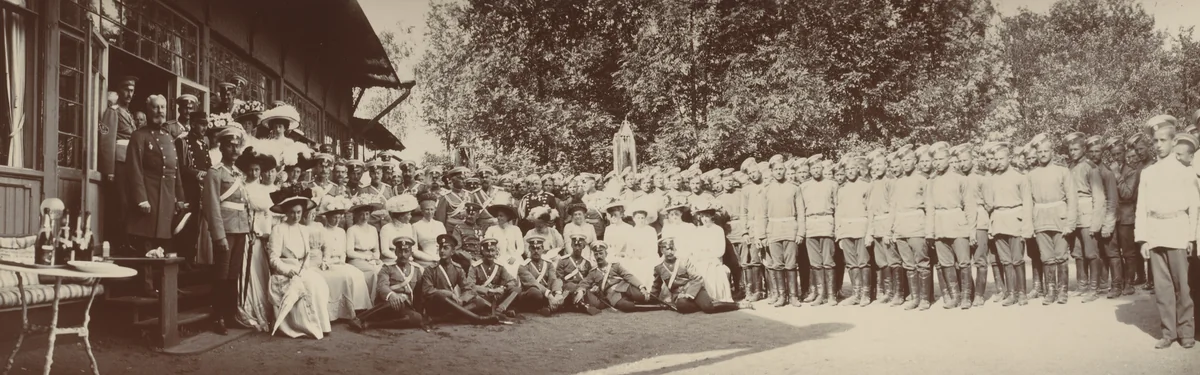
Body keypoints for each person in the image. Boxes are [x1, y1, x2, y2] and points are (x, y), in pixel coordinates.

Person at [1136, 115, 1197, 349]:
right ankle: (1168, 333)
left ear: (1173, 142)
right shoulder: (1148, 173)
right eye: (1155, 141)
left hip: (1177, 231)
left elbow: (1193, 206)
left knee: (1183, 285)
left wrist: (1191, 236)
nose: (1158, 145)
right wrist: (1142, 239)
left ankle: (1186, 332)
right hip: (1155, 232)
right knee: (1162, 288)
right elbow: (1141, 207)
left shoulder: (1184, 172)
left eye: (1163, 140)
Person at [126, 95, 186, 296]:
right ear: (148, 109)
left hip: (167, 198)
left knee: (165, 242)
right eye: (155, 108)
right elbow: (134, 170)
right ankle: (148, 286)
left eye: (163, 107)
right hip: (149, 196)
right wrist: (140, 198)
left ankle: (167, 285)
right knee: (147, 242)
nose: (160, 111)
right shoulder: (139, 136)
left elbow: (174, 171)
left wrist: (180, 198)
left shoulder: (169, 137)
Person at [267, 194, 332, 339]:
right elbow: (273, 258)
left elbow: (306, 255)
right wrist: (287, 270)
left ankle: (321, 324)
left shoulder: (303, 229)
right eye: (292, 212)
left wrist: (304, 268)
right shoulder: (278, 229)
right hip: (285, 270)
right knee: (308, 284)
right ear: (286, 213)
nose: (295, 216)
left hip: (301, 269)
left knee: (319, 283)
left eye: (298, 212)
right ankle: (305, 326)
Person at [229, 146, 277, 332]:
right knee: (244, 271)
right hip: (243, 233)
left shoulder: (265, 191)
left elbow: (267, 214)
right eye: (250, 169)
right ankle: (244, 306)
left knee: (259, 269)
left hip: (258, 237)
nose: (253, 172)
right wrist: (247, 230)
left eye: (257, 169)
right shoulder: (240, 186)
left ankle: (262, 309)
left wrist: (263, 233)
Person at [1028, 133, 1078, 305]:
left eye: (1046, 151)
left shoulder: (1063, 171)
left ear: (1052, 152)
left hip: (1060, 218)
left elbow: (1072, 198)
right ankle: (1050, 290)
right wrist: (1029, 224)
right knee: (1046, 257)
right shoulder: (1031, 175)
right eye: (1039, 151)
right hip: (1040, 219)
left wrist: (1070, 222)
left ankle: (1063, 290)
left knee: (1061, 256)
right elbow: (1028, 202)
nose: (1042, 154)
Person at [926, 143, 978, 310]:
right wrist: (930, 232)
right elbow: (930, 208)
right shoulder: (931, 181)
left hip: (958, 223)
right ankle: (954, 296)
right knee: (946, 263)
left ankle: (966, 297)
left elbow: (970, 206)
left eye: (941, 159)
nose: (937, 163)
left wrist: (971, 230)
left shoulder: (961, 179)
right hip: (940, 225)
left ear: (949, 159)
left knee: (963, 262)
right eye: (935, 160)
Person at [418, 233, 503, 325]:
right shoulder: (430, 269)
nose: (442, 251)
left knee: (479, 302)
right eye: (440, 248)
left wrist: (462, 299)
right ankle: (477, 318)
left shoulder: (457, 269)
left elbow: (467, 288)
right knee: (440, 295)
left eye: (446, 248)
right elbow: (427, 291)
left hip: (453, 305)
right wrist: (449, 294)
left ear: (453, 251)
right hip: (436, 305)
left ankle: (440, 319)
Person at [987, 143, 1034, 307]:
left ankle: (1022, 293)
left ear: (1009, 159)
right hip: (999, 221)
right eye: (996, 159)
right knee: (1005, 261)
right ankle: (1011, 293)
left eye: (1002, 158)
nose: (999, 162)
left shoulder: (1020, 177)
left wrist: (1026, 226)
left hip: (1015, 220)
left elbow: (1027, 203)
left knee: (1017, 260)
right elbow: (989, 205)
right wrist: (990, 226)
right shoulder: (991, 179)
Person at [1064, 132, 1108, 303]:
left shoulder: (1091, 168)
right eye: (1070, 149)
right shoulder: (1070, 167)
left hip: (1087, 213)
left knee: (1091, 253)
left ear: (1084, 149)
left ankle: (1094, 287)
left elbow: (1099, 197)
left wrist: (1096, 223)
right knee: (1077, 252)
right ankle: (1082, 285)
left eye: (1076, 149)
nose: (1073, 152)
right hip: (1073, 214)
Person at [350, 236, 427, 331]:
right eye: (400, 251)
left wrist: (419, 311)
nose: (403, 255)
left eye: (406, 251)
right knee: (395, 302)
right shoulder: (387, 268)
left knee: (417, 318)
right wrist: (392, 295)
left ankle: (371, 324)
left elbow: (418, 294)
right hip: (387, 305)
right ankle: (359, 318)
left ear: (411, 253)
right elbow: (382, 286)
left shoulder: (416, 270)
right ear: (395, 252)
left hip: (405, 307)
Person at [650, 237, 741, 314]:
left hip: (695, 290)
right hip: (679, 295)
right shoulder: (659, 267)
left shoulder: (684, 261)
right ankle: (700, 305)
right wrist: (649, 298)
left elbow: (697, 278)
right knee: (681, 306)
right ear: (662, 250)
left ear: (675, 249)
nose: (670, 252)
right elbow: (656, 287)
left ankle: (737, 305)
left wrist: (688, 294)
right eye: (667, 249)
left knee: (708, 308)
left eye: (672, 248)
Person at [314, 198, 371, 321]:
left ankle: (358, 308)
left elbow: (344, 251)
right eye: (334, 217)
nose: (337, 220)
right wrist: (328, 262)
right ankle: (336, 312)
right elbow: (322, 251)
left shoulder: (341, 231)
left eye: (339, 218)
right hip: (327, 262)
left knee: (357, 274)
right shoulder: (322, 231)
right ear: (327, 217)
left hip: (340, 262)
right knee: (342, 277)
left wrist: (342, 261)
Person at [99, 76, 138, 252]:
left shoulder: (128, 113)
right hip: (119, 163)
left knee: (128, 203)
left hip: (129, 163)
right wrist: (109, 170)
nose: (129, 93)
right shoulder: (113, 112)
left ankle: (126, 241)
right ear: (119, 91)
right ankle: (117, 243)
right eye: (126, 90)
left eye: (132, 90)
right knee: (120, 204)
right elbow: (107, 141)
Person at [890, 144, 932, 310]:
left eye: (908, 160)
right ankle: (914, 298)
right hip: (901, 228)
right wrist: (891, 230)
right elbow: (893, 207)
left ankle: (925, 299)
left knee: (922, 262)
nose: (906, 163)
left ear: (915, 161)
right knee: (908, 264)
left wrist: (929, 231)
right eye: (903, 161)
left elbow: (929, 206)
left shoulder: (922, 180)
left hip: (917, 225)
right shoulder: (897, 182)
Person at [577, 242, 660, 312]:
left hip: (625, 287)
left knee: (642, 296)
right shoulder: (593, 273)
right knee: (627, 307)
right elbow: (585, 282)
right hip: (612, 295)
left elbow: (628, 275)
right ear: (594, 257)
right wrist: (581, 290)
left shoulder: (615, 265)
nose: (599, 256)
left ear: (606, 254)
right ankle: (652, 307)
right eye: (596, 254)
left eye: (601, 253)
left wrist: (641, 286)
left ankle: (653, 301)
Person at [836, 154, 873, 307]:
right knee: (851, 264)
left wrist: (870, 232)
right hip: (846, 230)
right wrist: (839, 234)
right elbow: (838, 211)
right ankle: (856, 294)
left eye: (853, 168)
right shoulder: (841, 189)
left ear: (858, 169)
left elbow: (871, 210)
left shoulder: (866, 186)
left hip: (861, 228)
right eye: (847, 169)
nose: (850, 171)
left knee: (863, 262)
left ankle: (866, 294)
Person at [1087, 135, 1121, 298]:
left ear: (1102, 153)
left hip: (1107, 220)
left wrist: (1108, 225)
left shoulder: (1106, 172)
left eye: (1097, 151)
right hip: (1096, 220)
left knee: (1112, 253)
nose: (1094, 155)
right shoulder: (1089, 170)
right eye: (1091, 152)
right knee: (1099, 253)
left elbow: (1112, 200)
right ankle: (1102, 284)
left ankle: (1117, 285)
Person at [800, 155, 833, 307]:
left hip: (826, 222)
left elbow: (837, 207)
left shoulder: (832, 185)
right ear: (809, 171)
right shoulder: (804, 187)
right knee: (815, 263)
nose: (816, 170)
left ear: (822, 168)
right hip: (810, 224)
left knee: (828, 261)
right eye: (813, 168)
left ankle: (831, 295)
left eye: (818, 167)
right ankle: (820, 294)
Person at [867, 150, 898, 305]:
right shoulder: (872, 184)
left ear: (886, 165)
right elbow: (871, 210)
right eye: (875, 165)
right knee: (881, 262)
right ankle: (887, 291)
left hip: (887, 225)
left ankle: (897, 293)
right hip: (876, 226)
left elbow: (893, 207)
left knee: (893, 260)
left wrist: (889, 230)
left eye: (880, 164)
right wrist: (870, 232)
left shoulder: (890, 182)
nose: (877, 167)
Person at [691, 202, 738, 304]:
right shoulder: (698, 231)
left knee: (713, 270)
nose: (704, 219)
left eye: (707, 216)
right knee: (697, 269)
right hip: (701, 259)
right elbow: (695, 249)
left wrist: (707, 253)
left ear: (712, 216)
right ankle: (701, 299)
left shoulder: (718, 230)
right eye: (702, 216)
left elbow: (720, 251)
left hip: (715, 260)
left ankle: (715, 297)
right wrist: (701, 254)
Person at [465, 238, 520, 318]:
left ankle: (501, 308)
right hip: (483, 297)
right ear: (482, 251)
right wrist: (489, 290)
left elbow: (512, 280)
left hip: (497, 297)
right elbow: (470, 285)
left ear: (496, 251)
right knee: (475, 297)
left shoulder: (499, 266)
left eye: (492, 251)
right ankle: (496, 310)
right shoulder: (475, 267)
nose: (490, 254)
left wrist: (503, 288)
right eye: (487, 251)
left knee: (516, 289)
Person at [515, 236, 565, 316]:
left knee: (561, 294)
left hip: (546, 294)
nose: (536, 251)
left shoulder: (548, 264)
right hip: (531, 294)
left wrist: (557, 293)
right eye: (533, 249)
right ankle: (547, 307)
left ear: (542, 249)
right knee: (536, 293)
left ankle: (546, 307)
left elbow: (553, 279)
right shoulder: (523, 266)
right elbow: (533, 282)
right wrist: (550, 295)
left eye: (538, 248)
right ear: (529, 249)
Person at [346, 202, 384, 299]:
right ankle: (371, 300)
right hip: (357, 259)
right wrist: (366, 257)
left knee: (384, 269)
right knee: (374, 272)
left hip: (371, 258)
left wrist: (376, 258)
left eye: (367, 214)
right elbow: (349, 252)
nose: (364, 217)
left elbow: (376, 249)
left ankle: (382, 298)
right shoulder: (352, 230)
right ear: (356, 215)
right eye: (362, 214)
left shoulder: (373, 229)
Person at [559, 234, 600, 315]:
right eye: (575, 245)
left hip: (582, 290)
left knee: (596, 303)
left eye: (579, 245)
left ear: (583, 246)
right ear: (571, 245)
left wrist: (588, 288)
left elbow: (589, 279)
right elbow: (558, 278)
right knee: (571, 286)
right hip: (567, 289)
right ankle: (583, 305)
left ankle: (574, 305)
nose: (577, 248)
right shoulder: (563, 261)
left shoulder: (587, 263)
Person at [484, 204, 525, 276]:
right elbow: (487, 245)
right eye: (498, 216)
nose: (498, 218)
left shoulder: (515, 229)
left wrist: (514, 257)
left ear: (508, 217)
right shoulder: (491, 229)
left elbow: (520, 247)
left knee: (518, 269)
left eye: (501, 216)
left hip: (514, 257)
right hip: (497, 257)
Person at [380, 195, 418, 265]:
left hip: (407, 260)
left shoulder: (409, 226)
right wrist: (400, 258)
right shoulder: (386, 228)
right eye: (409, 214)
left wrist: (407, 258)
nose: (411, 217)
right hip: (391, 260)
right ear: (401, 216)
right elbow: (385, 251)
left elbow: (412, 247)